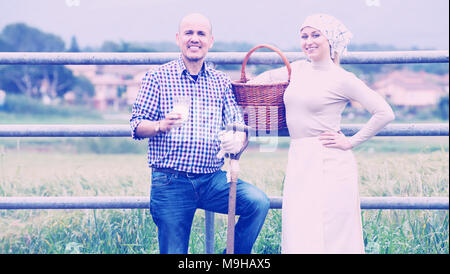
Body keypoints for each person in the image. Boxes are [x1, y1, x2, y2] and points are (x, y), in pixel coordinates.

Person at [250, 13, 395, 253]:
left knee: (332, 232)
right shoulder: (295, 69)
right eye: (304, 36)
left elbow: (384, 112)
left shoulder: (342, 78)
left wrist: (351, 142)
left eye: (316, 35)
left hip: (330, 161)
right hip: (299, 157)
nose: (309, 41)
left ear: (331, 40)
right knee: (299, 227)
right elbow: (260, 82)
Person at [130, 13, 270, 254]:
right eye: (189, 33)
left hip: (212, 179)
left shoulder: (220, 81)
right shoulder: (158, 77)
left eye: (201, 34)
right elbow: (136, 125)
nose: (195, 39)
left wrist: (238, 140)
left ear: (210, 41)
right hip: (171, 180)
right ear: (178, 39)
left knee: (258, 203)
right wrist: (160, 125)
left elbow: (238, 124)